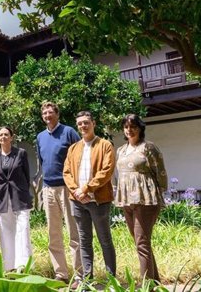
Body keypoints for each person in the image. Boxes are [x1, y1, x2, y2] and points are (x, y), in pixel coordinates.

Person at [63, 111, 116, 284]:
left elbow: (106, 171)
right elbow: (67, 173)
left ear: (93, 123)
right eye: (79, 124)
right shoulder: (73, 148)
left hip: (99, 200)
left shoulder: (105, 145)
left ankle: (111, 280)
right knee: (84, 241)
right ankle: (87, 280)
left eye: (86, 122)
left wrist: (86, 188)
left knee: (105, 240)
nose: (83, 126)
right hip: (78, 202)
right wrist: (76, 191)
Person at [115, 113, 168, 281]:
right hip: (127, 199)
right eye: (126, 127)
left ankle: (147, 285)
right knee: (141, 242)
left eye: (133, 126)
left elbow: (160, 172)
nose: (129, 130)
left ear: (140, 128)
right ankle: (154, 282)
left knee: (142, 242)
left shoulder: (148, 147)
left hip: (146, 199)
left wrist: (160, 193)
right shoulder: (121, 150)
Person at [36, 101, 83, 282]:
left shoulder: (69, 132)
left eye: (50, 112)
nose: (47, 116)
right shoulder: (40, 137)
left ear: (57, 114)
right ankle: (61, 274)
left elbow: (80, 156)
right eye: (44, 113)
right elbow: (42, 161)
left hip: (67, 188)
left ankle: (79, 275)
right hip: (48, 188)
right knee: (53, 233)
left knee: (74, 232)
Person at [0, 126, 33, 272]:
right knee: (5, 232)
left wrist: (22, 191)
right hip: (1, 199)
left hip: (20, 197)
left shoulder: (20, 153)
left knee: (22, 230)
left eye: (6, 134)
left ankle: (23, 267)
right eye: (0, 135)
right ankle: (9, 267)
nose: (3, 137)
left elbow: (27, 176)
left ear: (11, 137)